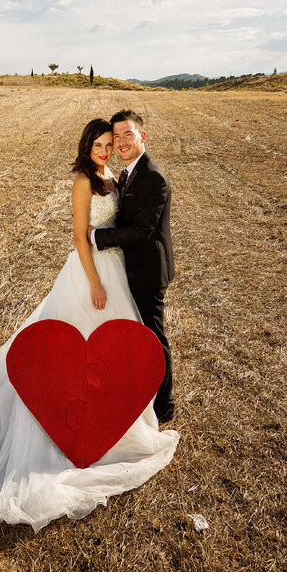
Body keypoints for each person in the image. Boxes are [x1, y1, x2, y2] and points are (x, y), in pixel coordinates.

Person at [0, 118, 179, 532]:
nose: (106, 148)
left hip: (118, 270)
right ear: (88, 145)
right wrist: (95, 281)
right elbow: (81, 237)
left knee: (122, 340)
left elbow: (129, 226)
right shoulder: (84, 180)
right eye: (100, 142)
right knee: (75, 337)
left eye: (111, 141)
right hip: (91, 274)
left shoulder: (113, 176)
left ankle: (120, 406)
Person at [89, 109, 176, 422]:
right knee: (136, 335)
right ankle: (140, 391)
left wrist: (97, 236)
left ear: (142, 137)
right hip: (129, 265)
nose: (122, 141)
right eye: (117, 136)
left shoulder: (154, 178)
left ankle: (163, 406)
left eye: (128, 134)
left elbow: (142, 230)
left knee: (153, 337)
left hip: (149, 270)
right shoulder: (126, 172)